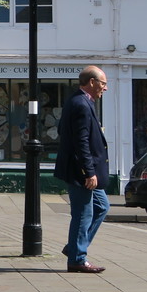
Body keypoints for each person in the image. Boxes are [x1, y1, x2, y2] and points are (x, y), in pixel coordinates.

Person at [53, 66, 110, 274]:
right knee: (83, 213)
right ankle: (77, 259)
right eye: (103, 83)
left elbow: (62, 130)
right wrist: (89, 172)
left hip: (82, 169)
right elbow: (81, 142)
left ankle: (74, 247)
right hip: (81, 171)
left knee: (102, 206)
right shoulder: (81, 104)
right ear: (92, 82)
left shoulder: (81, 101)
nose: (105, 88)